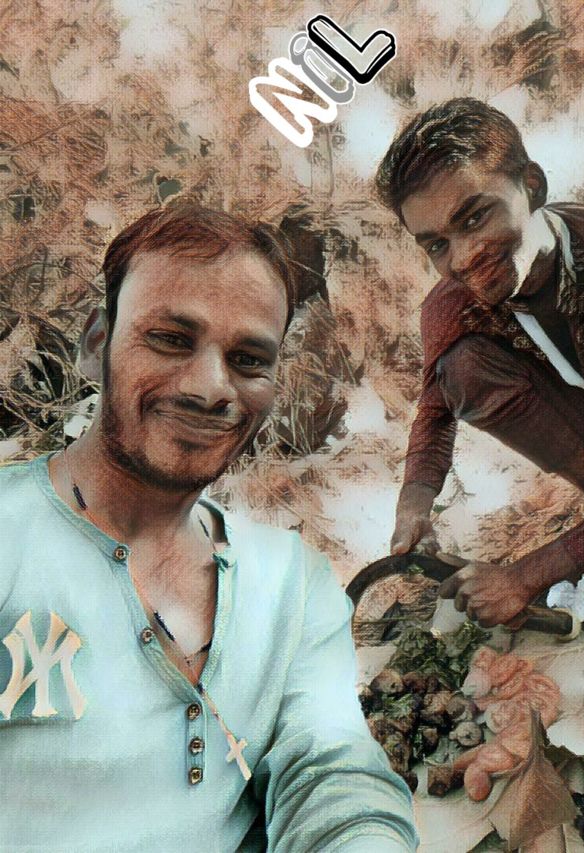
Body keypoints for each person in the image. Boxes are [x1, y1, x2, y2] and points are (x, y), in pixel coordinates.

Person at [0, 202, 419, 852]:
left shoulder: (292, 586)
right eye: (171, 338)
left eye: (248, 359)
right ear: (95, 343)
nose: (209, 387)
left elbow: (330, 773)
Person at [375, 98, 584, 628]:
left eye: (475, 217)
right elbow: (435, 408)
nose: (464, 256)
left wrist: (527, 576)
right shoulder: (453, 303)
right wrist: (414, 507)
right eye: (436, 244)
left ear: (532, 186)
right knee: (462, 369)